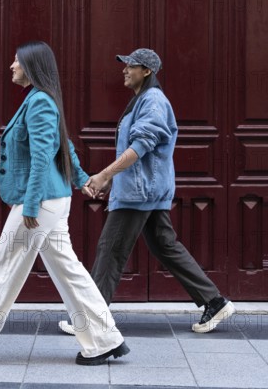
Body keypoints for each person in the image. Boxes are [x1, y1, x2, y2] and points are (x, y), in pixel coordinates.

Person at [0, 41, 129, 366]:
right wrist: (81, 180)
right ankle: (104, 340)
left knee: (4, 269)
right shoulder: (39, 100)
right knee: (69, 272)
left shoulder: (39, 102)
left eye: (17, 62)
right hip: (51, 200)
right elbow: (61, 144)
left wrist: (30, 205)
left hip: (41, 203)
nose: (12, 66)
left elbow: (43, 156)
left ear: (32, 68)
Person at [58, 48, 235, 335]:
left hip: (140, 193)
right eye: (124, 65)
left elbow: (141, 147)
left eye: (131, 66)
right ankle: (214, 301)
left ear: (147, 71)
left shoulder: (152, 101)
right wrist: (116, 181)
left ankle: (91, 317)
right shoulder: (144, 100)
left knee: (110, 250)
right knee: (165, 245)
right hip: (146, 189)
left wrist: (104, 176)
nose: (124, 70)